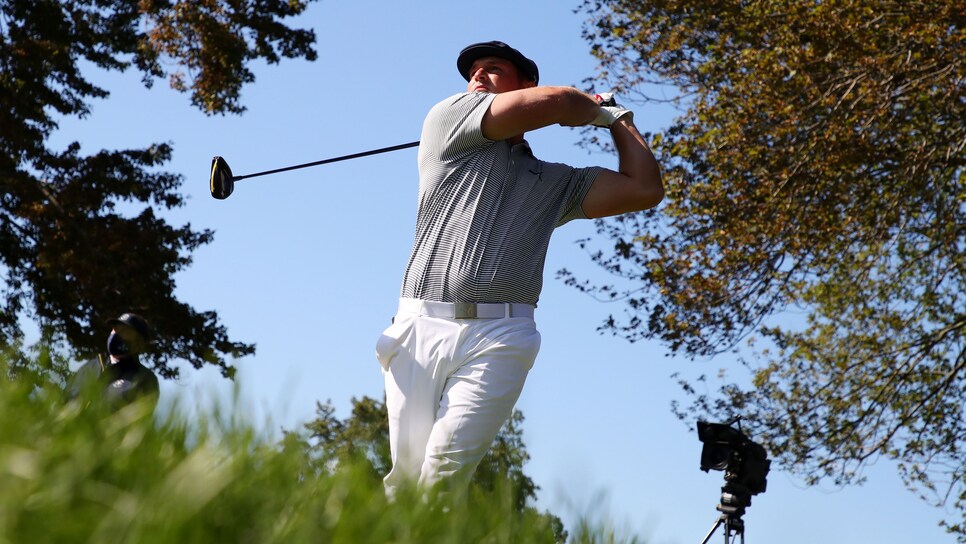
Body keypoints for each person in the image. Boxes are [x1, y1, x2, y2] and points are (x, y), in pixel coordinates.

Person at [375, 41, 663, 497]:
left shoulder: (558, 182)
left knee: (443, 474)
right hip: (419, 326)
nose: (478, 78)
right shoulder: (449, 121)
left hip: (502, 337)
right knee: (406, 481)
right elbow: (560, 103)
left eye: (493, 70)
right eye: (473, 72)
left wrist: (619, 120)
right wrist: (588, 106)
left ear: (525, 83)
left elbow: (644, 188)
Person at [66, 312, 160, 413]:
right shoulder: (90, 367)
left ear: (138, 342)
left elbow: (137, 419)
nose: (116, 334)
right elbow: (65, 400)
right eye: (115, 329)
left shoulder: (144, 378)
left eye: (124, 331)